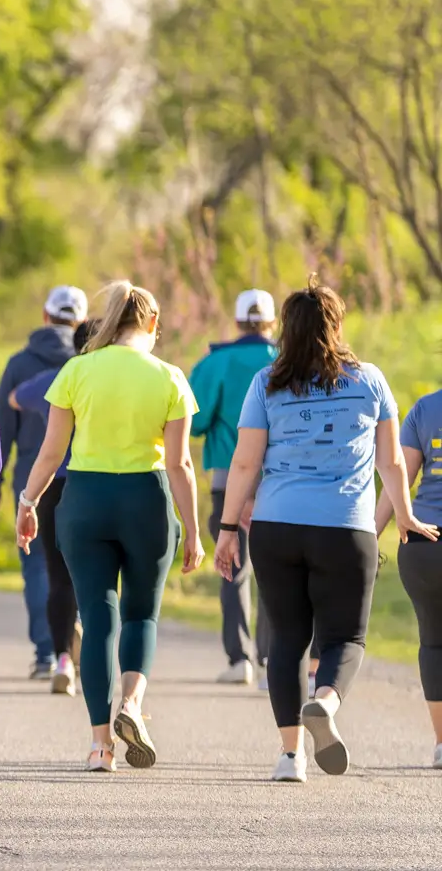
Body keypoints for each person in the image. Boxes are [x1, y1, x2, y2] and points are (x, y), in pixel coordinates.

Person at [214, 282, 431, 782]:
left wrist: (228, 528)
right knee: (346, 638)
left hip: (276, 527)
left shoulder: (266, 382)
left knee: (287, 638)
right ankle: (326, 702)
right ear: (337, 325)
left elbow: (244, 463)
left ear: (286, 330)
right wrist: (403, 515)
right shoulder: (369, 381)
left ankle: (291, 757)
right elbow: (392, 460)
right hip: (344, 529)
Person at [16, 281, 201, 772]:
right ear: (153, 324)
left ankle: (100, 746)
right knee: (141, 615)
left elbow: (50, 453)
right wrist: (195, 531)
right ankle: (132, 706)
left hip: (84, 500)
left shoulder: (77, 370)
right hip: (146, 499)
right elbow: (180, 465)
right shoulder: (169, 377)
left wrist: (27, 500)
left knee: (98, 620)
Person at [188, 288, 280, 686]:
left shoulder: (215, 362)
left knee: (233, 567)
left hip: (229, 479)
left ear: (238, 321)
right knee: (278, 572)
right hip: (281, 480)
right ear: (272, 322)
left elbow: (194, 421)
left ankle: (240, 657)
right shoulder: (286, 361)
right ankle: (271, 659)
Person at [0, 284, 87, 678]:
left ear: (46, 317)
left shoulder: (19, 364)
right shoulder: (90, 361)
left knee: (38, 567)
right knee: (82, 566)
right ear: (81, 322)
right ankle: (73, 639)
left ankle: (47, 653)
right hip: (87, 478)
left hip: (34, 480)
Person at [9, 320, 92, 695]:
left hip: (54, 484)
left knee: (57, 577)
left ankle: (61, 658)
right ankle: (93, 655)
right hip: (99, 482)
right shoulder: (113, 379)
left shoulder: (59, 378)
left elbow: (14, 399)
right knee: (97, 576)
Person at [392, 377, 442, 769]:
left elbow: (399, 483)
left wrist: (367, 538)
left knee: (433, 642)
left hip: (424, 546)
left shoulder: (424, 410)